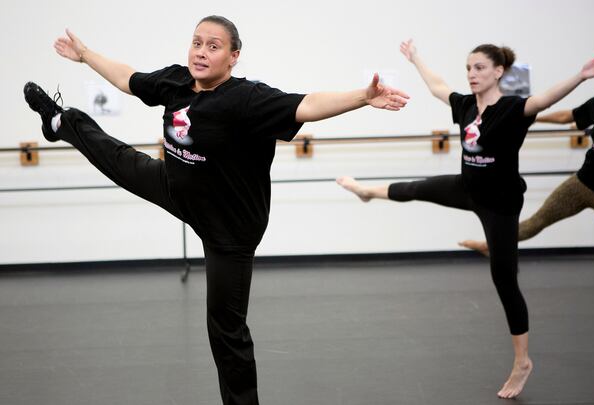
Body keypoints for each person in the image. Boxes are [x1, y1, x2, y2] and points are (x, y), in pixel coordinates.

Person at [23, 16, 409, 405]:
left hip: (231, 227)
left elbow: (306, 105)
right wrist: (86, 55)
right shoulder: (175, 82)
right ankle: (61, 121)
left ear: (233, 56)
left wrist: (362, 96)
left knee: (225, 328)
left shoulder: (248, 99)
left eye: (213, 46)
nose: (201, 52)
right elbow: (129, 79)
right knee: (119, 158)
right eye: (196, 43)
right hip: (178, 188)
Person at [337, 39, 594, 399]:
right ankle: (368, 192)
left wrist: (581, 76)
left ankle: (522, 362)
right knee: (418, 187)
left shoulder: (512, 109)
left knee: (504, 278)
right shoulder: (463, 105)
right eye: (468, 68)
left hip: (501, 203)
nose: (472, 74)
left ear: (498, 72)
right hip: (468, 188)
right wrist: (416, 58)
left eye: (479, 68)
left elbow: (545, 100)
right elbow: (438, 87)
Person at [460, 95, 594, 256]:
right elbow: (567, 116)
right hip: (582, 183)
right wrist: (535, 118)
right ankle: (489, 245)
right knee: (537, 221)